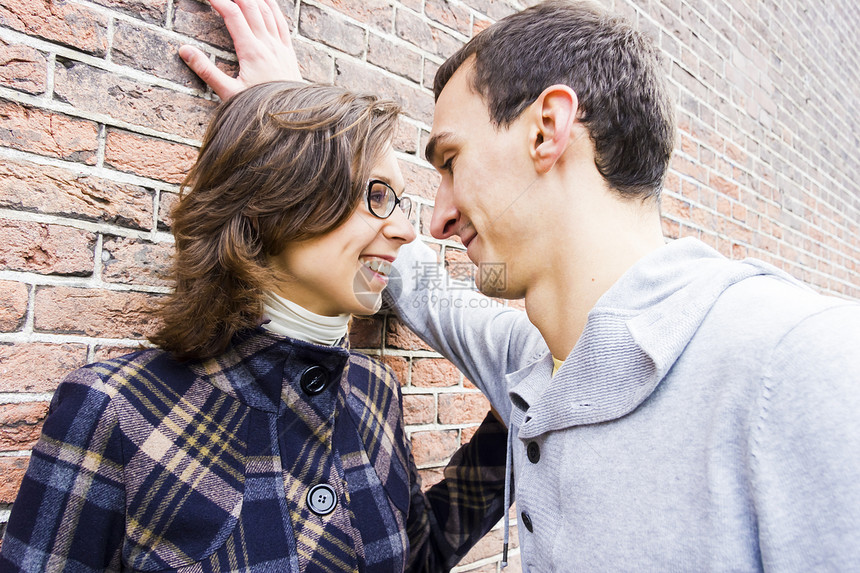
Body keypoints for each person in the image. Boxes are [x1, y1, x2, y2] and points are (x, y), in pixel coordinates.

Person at [180, 0, 860, 570]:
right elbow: (415, 279)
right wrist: (305, 135)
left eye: (450, 159)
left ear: (548, 130)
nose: (439, 217)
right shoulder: (529, 358)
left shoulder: (805, 363)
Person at [0, 80, 510, 572]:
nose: (403, 230)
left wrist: (522, 413)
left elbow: (414, 556)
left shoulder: (373, 392)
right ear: (276, 199)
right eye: (376, 195)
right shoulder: (116, 410)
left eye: (397, 202)